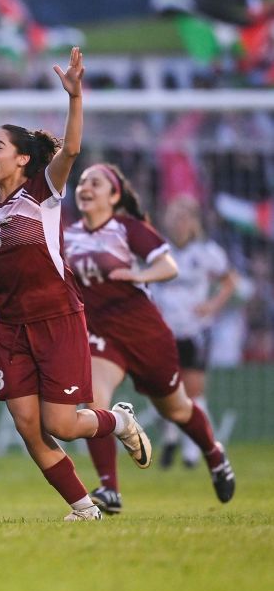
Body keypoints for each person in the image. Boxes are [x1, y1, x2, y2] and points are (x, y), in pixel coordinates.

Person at [0, 46, 151, 521]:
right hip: (11, 326)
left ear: (23, 158)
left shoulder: (43, 193)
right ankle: (84, 508)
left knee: (62, 424)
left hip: (58, 318)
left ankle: (121, 420)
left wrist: (76, 98)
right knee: (28, 425)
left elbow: (70, 150)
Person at [64, 164, 235, 514]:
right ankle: (109, 489)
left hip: (146, 334)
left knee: (177, 409)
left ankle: (214, 455)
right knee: (94, 405)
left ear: (114, 196)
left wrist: (139, 273)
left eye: (95, 183)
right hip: (102, 335)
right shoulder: (67, 235)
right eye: (82, 182)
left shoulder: (127, 229)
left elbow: (169, 266)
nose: (85, 187)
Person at [152, 195, 238, 469]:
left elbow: (229, 282)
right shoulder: (158, 250)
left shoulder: (207, 252)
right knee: (166, 388)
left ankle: (192, 452)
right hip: (164, 330)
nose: (179, 222)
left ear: (193, 222)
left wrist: (211, 305)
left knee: (193, 391)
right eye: (174, 217)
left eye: (184, 217)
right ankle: (169, 439)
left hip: (194, 331)